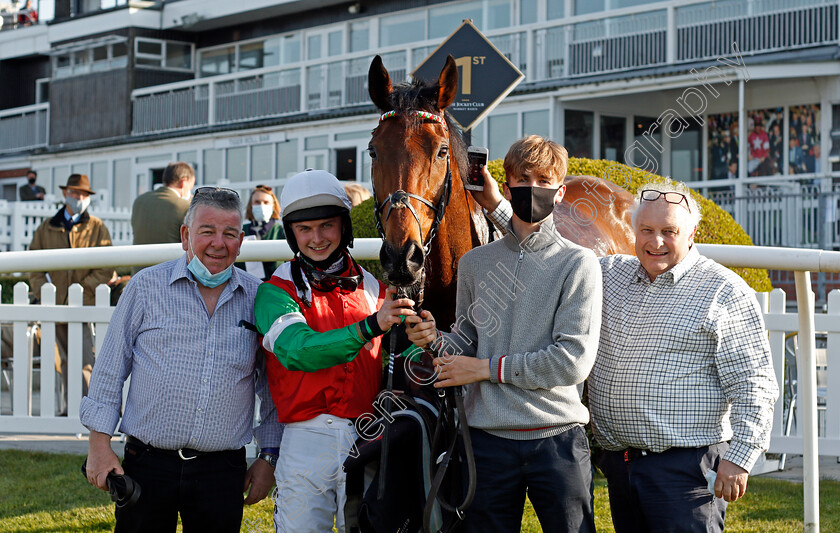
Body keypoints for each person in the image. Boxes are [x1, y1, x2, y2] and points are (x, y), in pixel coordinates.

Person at [406, 135, 602, 533]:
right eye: (523, 177)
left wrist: (483, 370)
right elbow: (466, 341)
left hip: (557, 438)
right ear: (507, 185)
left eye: (544, 180)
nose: (533, 187)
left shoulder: (578, 264)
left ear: (560, 192)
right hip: (487, 441)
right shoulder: (476, 263)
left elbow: (571, 362)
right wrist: (433, 338)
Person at [80, 187, 283, 533]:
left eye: (229, 234)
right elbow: (109, 370)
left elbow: (272, 386)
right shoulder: (145, 288)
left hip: (221, 471)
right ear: (186, 235)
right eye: (207, 231)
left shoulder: (259, 298)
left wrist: (268, 457)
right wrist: (99, 446)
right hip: (147, 464)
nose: (218, 243)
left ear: (241, 240)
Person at [589, 183, 779, 533]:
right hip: (621, 466)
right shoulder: (609, 274)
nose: (655, 241)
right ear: (633, 229)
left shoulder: (724, 290)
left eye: (668, 231)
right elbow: (550, 257)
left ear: (691, 232)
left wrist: (739, 458)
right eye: (646, 230)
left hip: (687, 472)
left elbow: (755, 383)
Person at [254, 169, 415, 533]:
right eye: (304, 229)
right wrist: (371, 325)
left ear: (344, 226)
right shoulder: (274, 291)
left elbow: (401, 358)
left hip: (367, 436)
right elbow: (298, 351)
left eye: (326, 226)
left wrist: (421, 339)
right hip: (305, 439)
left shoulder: (374, 286)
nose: (317, 238)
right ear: (292, 234)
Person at [29, 174, 114, 402]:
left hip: (84, 305)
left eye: (84, 194)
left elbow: (106, 267)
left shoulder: (97, 227)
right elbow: (32, 265)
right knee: (62, 359)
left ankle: (88, 406)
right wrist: (44, 292)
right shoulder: (46, 228)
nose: (80, 197)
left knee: (86, 358)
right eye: (76, 193)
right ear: (66, 193)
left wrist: (84, 291)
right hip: (55, 305)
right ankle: (68, 407)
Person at [130, 161, 195, 274]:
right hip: (169, 276)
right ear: (184, 182)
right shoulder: (184, 206)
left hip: (139, 274)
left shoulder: (139, 201)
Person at [236, 185, 285, 281]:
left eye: (266, 202)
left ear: (273, 206)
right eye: (257, 202)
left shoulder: (282, 232)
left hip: (275, 291)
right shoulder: (240, 231)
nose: (261, 206)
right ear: (251, 205)